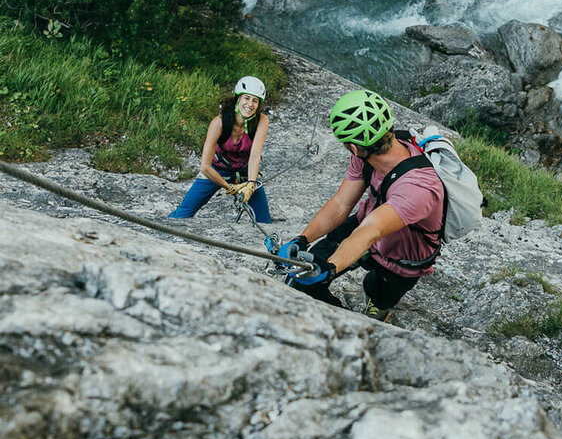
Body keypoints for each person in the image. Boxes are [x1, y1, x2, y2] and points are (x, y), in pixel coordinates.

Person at [278, 89, 445, 322]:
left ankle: (366, 320)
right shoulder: (366, 150)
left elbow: (370, 231)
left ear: (354, 148)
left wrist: (330, 268)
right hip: (366, 223)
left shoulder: (418, 187)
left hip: (400, 257)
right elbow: (341, 204)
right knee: (301, 280)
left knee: (377, 295)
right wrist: (302, 239)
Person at [168, 75, 271, 223]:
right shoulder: (219, 123)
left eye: (255, 100)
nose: (250, 104)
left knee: (264, 221)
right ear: (238, 98)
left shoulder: (261, 121)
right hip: (218, 170)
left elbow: (255, 155)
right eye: (246, 98)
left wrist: (251, 183)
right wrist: (229, 187)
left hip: (245, 171)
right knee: (182, 214)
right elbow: (205, 166)